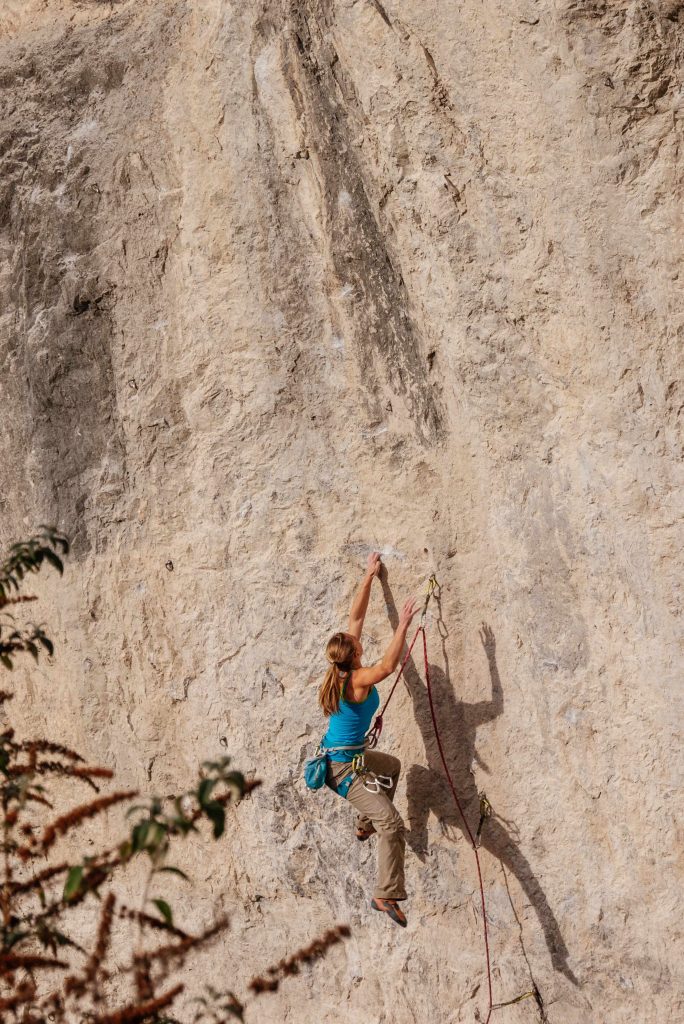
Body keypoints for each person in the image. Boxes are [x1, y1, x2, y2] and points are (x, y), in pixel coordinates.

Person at [318, 552, 419, 927]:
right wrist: (403, 625)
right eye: (357, 643)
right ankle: (385, 894)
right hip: (342, 769)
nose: (359, 640)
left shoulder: (342, 666)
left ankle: (364, 822)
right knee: (392, 823)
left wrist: (368, 578)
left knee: (390, 767)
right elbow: (389, 667)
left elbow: (356, 618)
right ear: (354, 654)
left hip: (352, 756)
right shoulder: (357, 679)